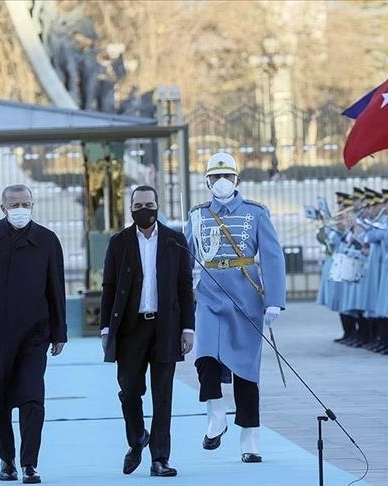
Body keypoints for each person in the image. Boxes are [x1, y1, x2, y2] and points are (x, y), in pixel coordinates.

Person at [0, 184, 67, 484]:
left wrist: (59, 332)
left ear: (33, 205)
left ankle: (30, 463)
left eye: (25, 204)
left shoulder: (46, 241)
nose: (20, 209)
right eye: (14, 204)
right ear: (2, 207)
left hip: (35, 333)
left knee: (33, 397)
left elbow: (56, 288)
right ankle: (7, 460)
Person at [185, 152, 286, 463]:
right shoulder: (197, 216)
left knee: (246, 370)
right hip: (209, 294)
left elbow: (272, 256)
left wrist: (274, 301)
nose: (221, 182)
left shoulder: (256, 213)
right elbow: (185, 258)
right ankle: (216, 412)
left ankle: (250, 439)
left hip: (245, 296)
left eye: (227, 176)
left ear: (237, 180)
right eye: (215, 177)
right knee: (205, 358)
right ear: (207, 182)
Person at [100, 185, 194, 477]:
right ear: (131, 209)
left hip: (166, 327)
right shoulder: (119, 242)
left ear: (157, 205)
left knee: (163, 395)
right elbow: (108, 287)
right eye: (138, 206)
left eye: (149, 205)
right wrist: (106, 329)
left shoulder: (175, 241)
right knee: (129, 391)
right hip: (130, 329)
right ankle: (138, 437)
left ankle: (160, 459)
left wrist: (188, 328)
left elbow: (185, 286)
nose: (144, 210)